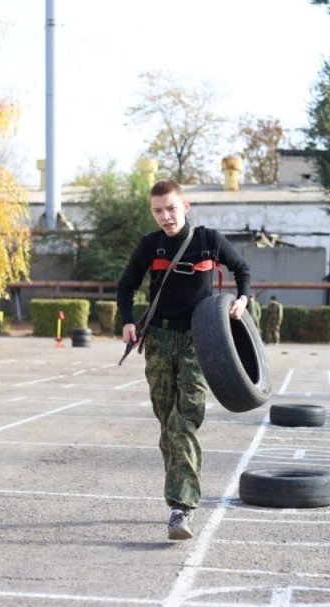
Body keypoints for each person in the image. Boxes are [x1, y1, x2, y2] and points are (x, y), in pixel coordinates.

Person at [117, 180, 252, 541]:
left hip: (198, 341)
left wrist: (242, 299)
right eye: (158, 210)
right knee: (167, 425)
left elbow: (242, 269)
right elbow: (126, 285)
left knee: (184, 421)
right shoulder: (150, 245)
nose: (165, 216)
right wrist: (128, 321)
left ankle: (182, 508)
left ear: (186, 206)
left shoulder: (208, 240)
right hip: (159, 340)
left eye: (171, 208)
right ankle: (179, 492)